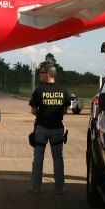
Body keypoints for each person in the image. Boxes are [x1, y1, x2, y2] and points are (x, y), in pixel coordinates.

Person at [28, 64, 71, 194]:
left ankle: (36, 187)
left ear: (48, 74)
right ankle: (59, 188)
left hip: (41, 128)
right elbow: (64, 110)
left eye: (41, 72)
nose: (40, 74)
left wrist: (43, 115)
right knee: (58, 158)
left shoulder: (39, 90)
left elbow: (33, 110)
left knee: (38, 158)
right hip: (57, 128)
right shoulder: (64, 91)